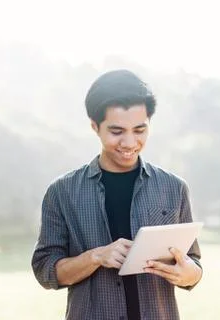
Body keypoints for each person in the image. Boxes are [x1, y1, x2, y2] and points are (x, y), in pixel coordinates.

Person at [31, 70, 202, 320]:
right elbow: (46, 271)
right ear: (95, 126)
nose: (130, 142)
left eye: (140, 129)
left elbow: (194, 264)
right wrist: (96, 257)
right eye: (117, 131)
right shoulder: (62, 192)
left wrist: (189, 274)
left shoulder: (173, 188)